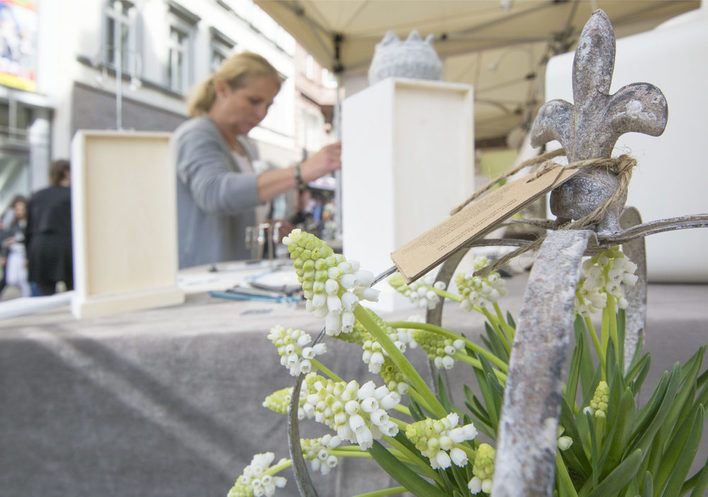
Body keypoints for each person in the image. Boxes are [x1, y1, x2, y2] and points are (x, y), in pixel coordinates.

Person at [172, 51, 341, 269]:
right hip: (202, 279)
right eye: (254, 101)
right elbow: (213, 192)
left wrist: (262, 228)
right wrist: (300, 172)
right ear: (222, 89)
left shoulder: (242, 146)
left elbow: (228, 210)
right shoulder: (197, 134)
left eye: (268, 106)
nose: (262, 113)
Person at [25, 159, 73, 296]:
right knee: (75, 291)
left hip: (39, 246)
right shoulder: (73, 195)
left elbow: (29, 228)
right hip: (66, 245)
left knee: (45, 295)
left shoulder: (37, 196)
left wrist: (27, 254)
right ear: (67, 172)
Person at [0, 195, 30, 297]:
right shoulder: (13, 224)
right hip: (14, 254)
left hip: (23, 253)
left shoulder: (28, 223)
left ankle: (27, 298)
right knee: (11, 279)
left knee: (23, 278)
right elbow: (6, 238)